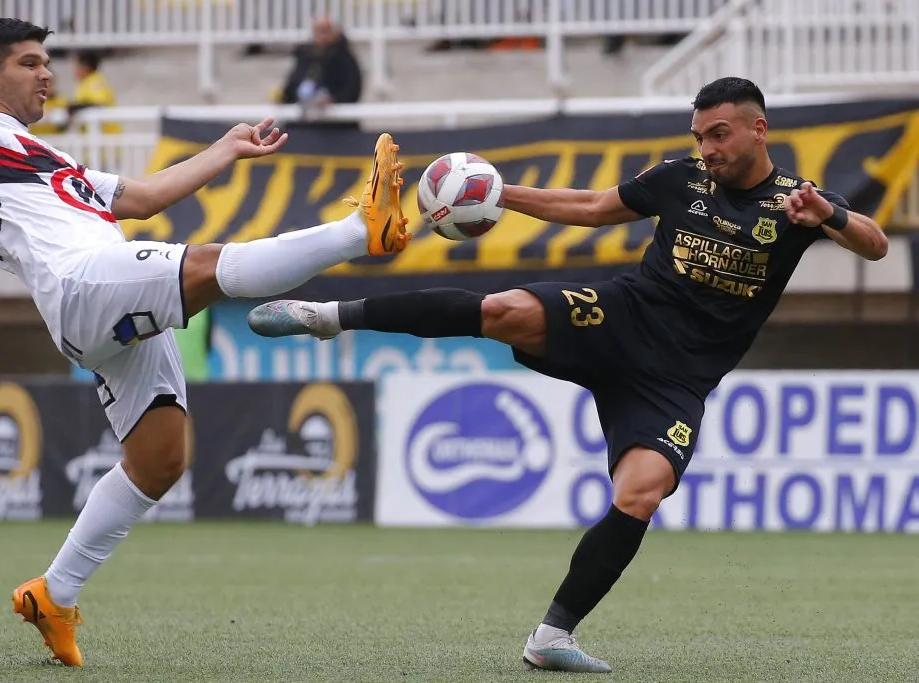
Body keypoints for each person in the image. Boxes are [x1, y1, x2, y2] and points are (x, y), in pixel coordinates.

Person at [247, 77, 888, 673]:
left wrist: (829, 217)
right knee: (501, 310)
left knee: (642, 491)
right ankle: (327, 314)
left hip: (678, 379)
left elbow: (874, 241)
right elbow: (591, 206)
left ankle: (552, 636)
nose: (707, 148)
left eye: (718, 134)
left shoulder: (797, 202)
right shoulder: (680, 179)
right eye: (700, 135)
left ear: (758, 130)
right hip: (619, 318)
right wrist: (495, 195)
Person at [0, 17, 409, 667]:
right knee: (206, 265)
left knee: (162, 458)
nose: (46, 72)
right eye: (29, 63)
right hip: (81, 286)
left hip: (106, 299)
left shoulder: (52, 158)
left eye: (47, 61)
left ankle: (54, 593)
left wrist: (226, 148)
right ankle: (363, 230)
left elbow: (140, 195)